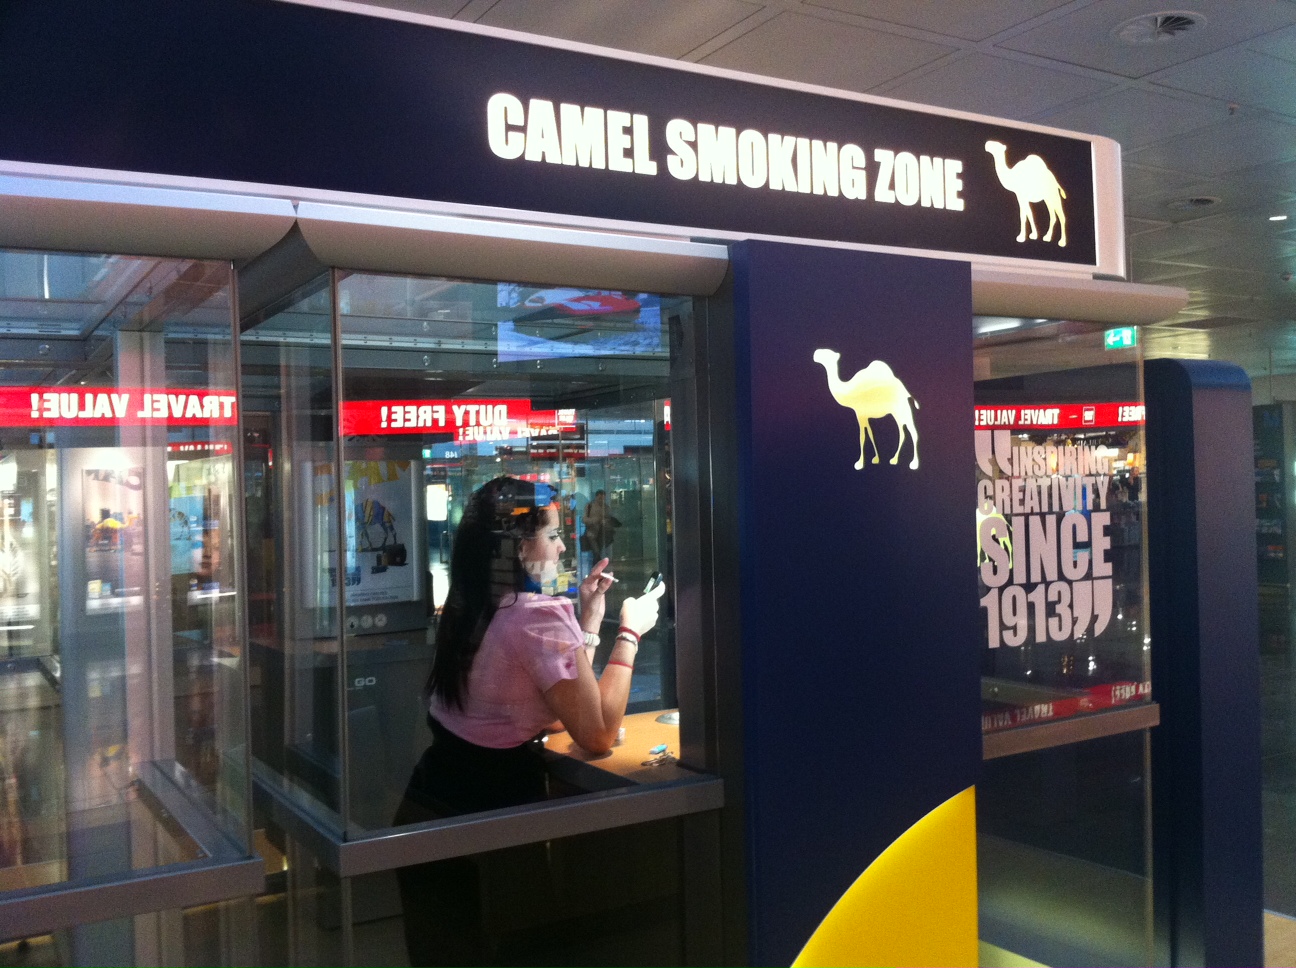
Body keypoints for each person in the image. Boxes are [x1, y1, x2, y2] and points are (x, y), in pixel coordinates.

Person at [395, 477, 664, 965]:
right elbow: (596, 732)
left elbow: (558, 710)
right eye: (554, 535)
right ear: (520, 548)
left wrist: (587, 621)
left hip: (433, 804)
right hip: (495, 820)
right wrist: (629, 631)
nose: (562, 547)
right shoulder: (537, 615)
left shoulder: (471, 603)